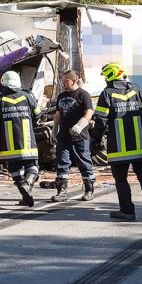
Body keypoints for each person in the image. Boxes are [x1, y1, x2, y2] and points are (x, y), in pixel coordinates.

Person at [92, 63, 142, 220]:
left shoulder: (107, 94)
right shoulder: (136, 89)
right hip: (139, 143)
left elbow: (100, 120)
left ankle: (127, 211)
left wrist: (96, 141)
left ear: (110, 76)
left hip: (118, 147)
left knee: (120, 179)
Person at [0, 71, 41, 207]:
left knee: (14, 167)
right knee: (32, 165)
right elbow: (38, 115)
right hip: (28, 140)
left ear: (3, 82)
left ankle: (24, 190)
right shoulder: (28, 97)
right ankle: (28, 185)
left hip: (8, 142)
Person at [51, 70, 95, 202]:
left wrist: (80, 125)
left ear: (74, 81)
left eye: (66, 81)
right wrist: (54, 130)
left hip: (80, 137)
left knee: (84, 163)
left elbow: (89, 112)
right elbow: (58, 114)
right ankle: (61, 192)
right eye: (62, 81)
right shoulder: (61, 96)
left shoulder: (83, 94)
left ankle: (88, 190)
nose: (63, 84)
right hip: (64, 138)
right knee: (62, 163)